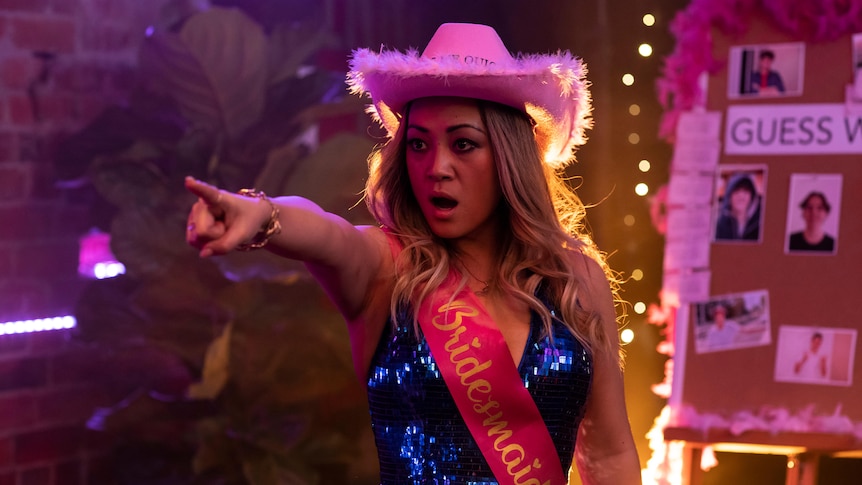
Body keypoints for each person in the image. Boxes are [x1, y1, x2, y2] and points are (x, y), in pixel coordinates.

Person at [185, 23, 641, 484]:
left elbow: (608, 454)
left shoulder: (574, 279)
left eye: (463, 144)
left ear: (510, 155)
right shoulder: (391, 268)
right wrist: (263, 215)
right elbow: (328, 235)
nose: (436, 167)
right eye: (419, 144)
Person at [715, 172, 762, 241]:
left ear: (752, 197)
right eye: (736, 191)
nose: (741, 196)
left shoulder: (760, 224)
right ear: (729, 196)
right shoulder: (718, 225)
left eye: (745, 191)